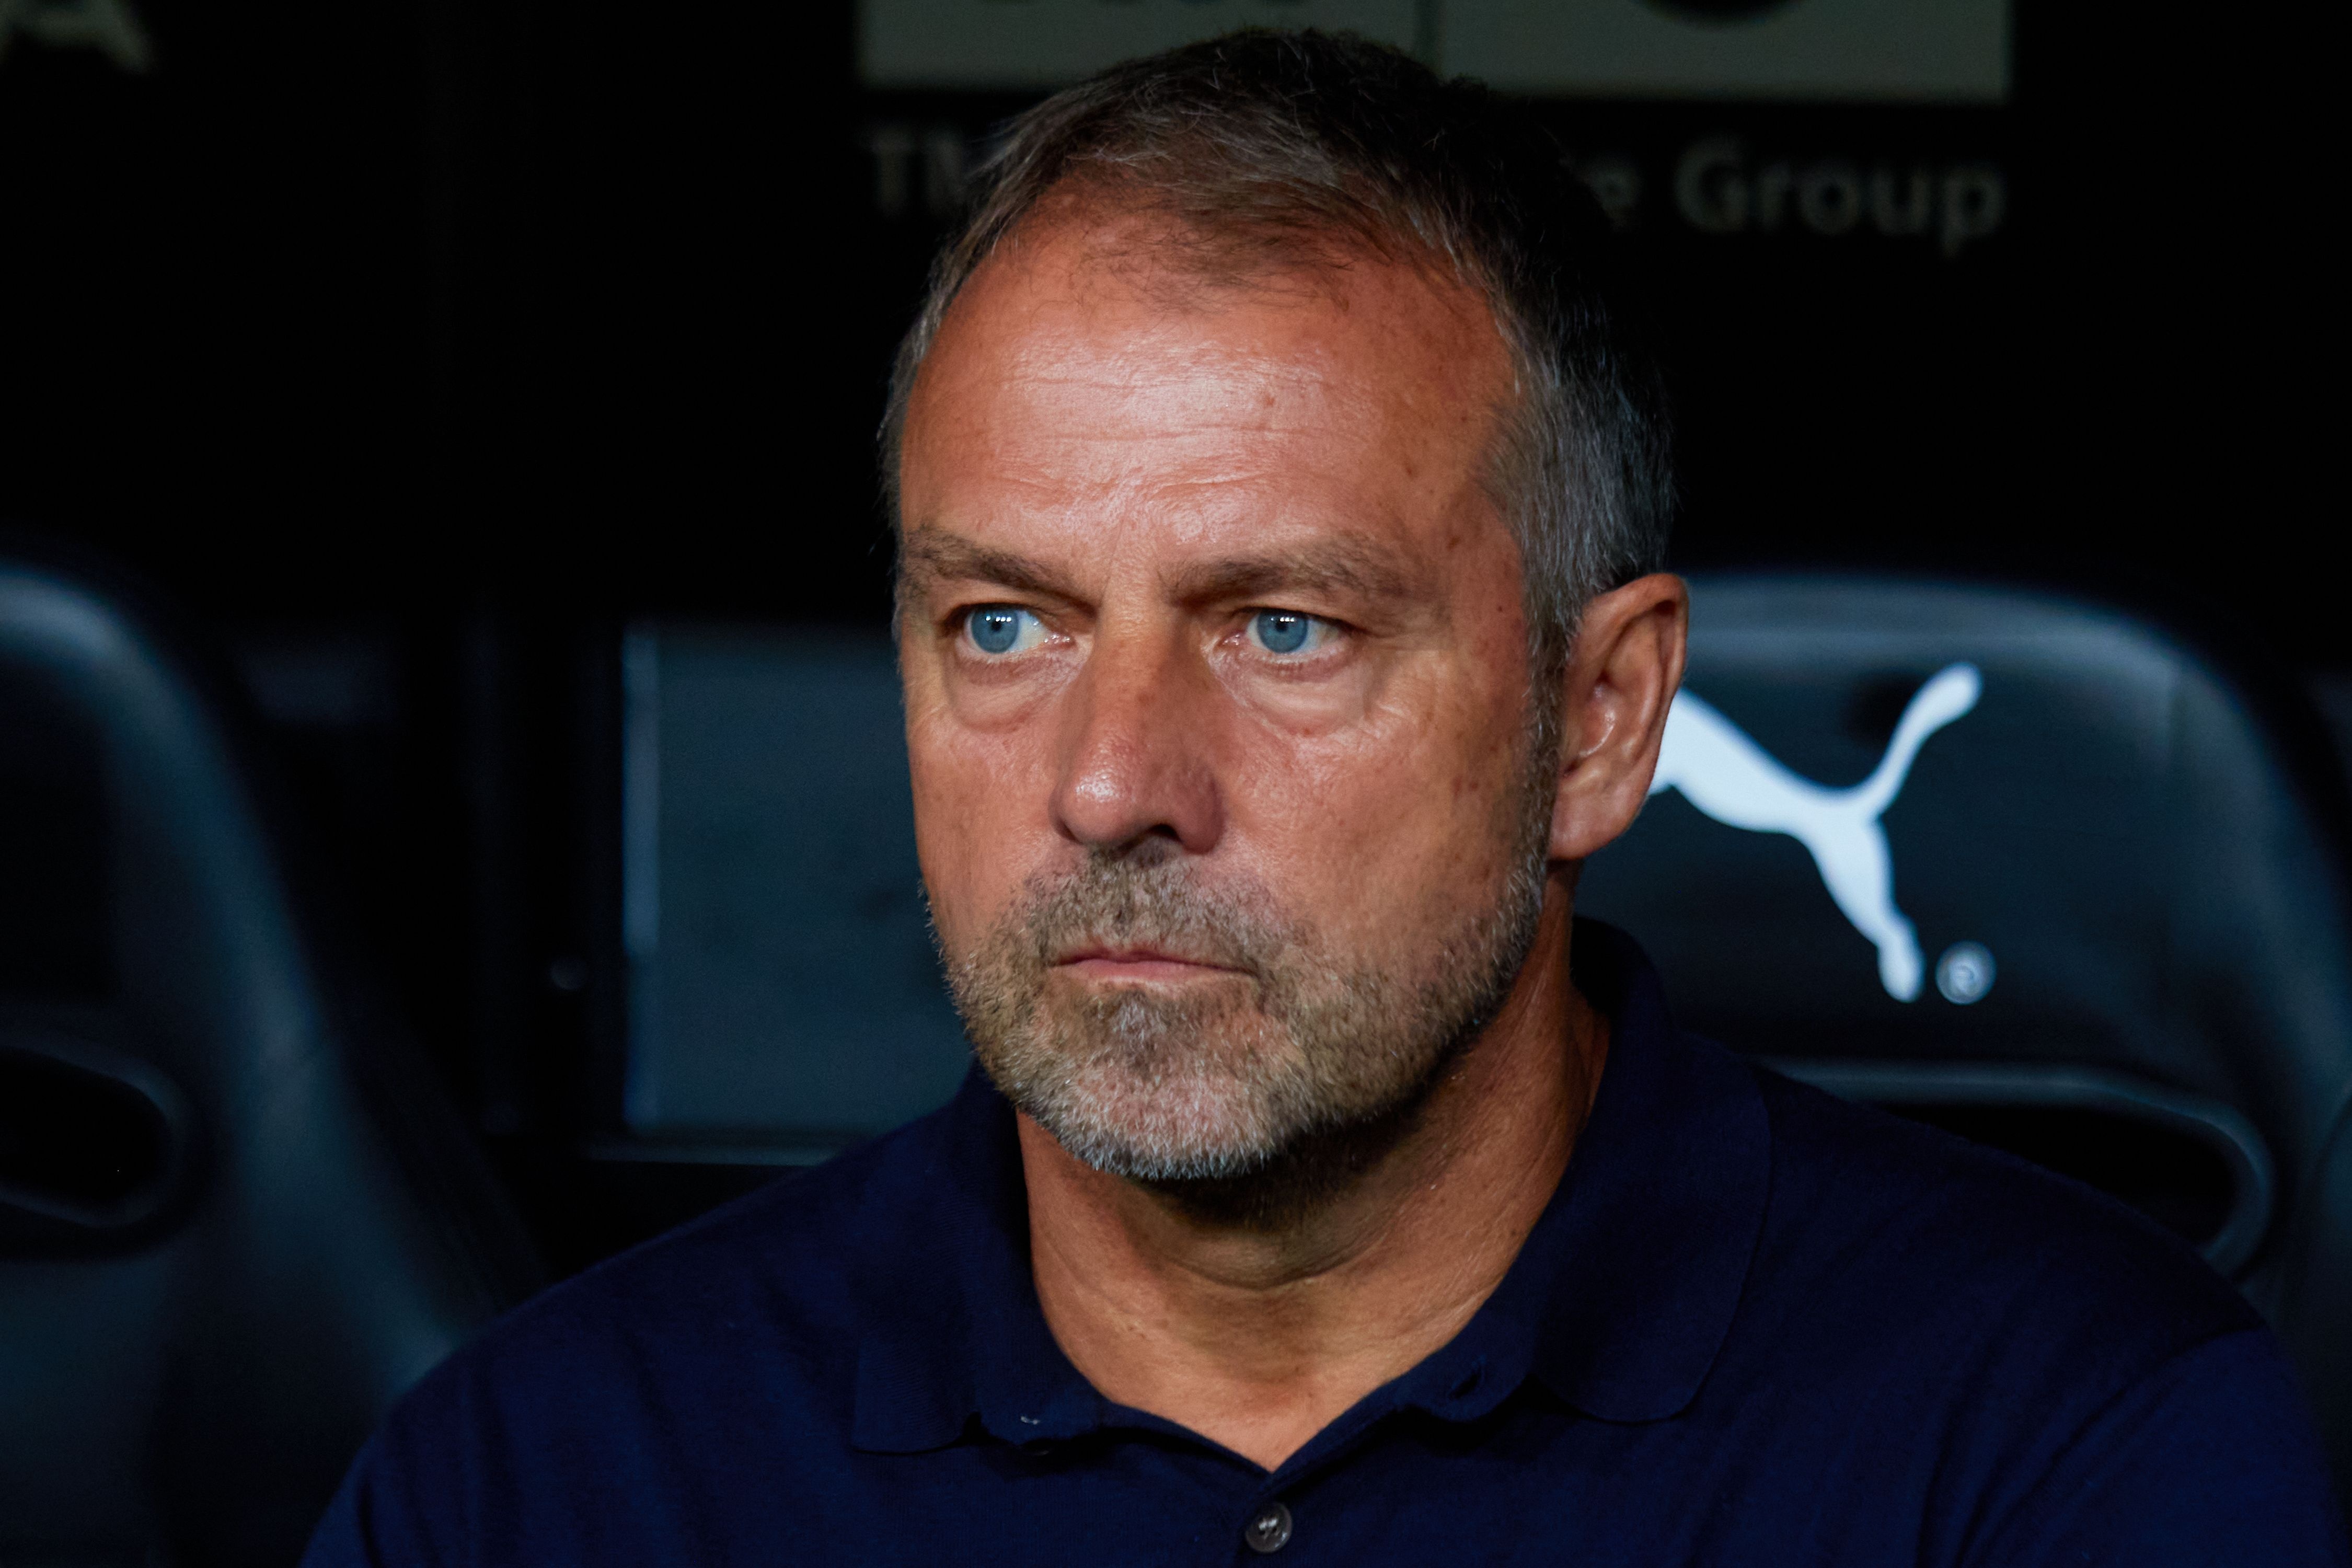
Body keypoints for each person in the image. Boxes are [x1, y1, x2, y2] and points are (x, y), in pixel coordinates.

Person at [302, 30, 2345, 1565]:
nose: (1111, 783)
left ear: (1599, 719)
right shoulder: (542, 1486)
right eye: (1004, 625)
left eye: (1283, 630)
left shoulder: (2055, 1450)